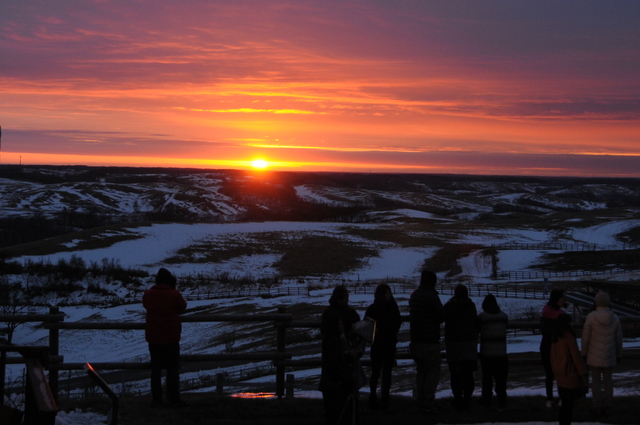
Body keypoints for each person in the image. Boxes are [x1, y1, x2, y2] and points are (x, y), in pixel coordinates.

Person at [142, 267, 188, 406]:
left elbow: (145, 305)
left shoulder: (148, 295)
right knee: (172, 369)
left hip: (154, 337)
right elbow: (182, 307)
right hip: (171, 337)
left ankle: (157, 399)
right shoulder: (174, 295)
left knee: (155, 370)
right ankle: (173, 398)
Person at [319, 285, 361, 425]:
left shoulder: (329, 313)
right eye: (345, 297)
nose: (348, 300)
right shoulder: (339, 316)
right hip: (341, 359)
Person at [580, 291, 623, 417]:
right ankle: (609, 405)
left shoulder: (591, 316)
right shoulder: (614, 317)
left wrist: (584, 353)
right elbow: (618, 339)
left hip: (594, 354)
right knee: (608, 381)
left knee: (596, 382)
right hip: (610, 354)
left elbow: (586, 337)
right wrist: (618, 354)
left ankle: (597, 405)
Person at [409, 270, 445, 414]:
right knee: (432, 372)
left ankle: (420, 400)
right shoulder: (432, 296)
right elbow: (441, 316)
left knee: (421, 372)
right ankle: (428, 402)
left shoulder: (415, 295)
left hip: (416, 339)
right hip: (430, 340)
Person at [364, 283, 402, 411]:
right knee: (380, 372)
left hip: (383, 344)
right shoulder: (390, 307)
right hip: (384, 344)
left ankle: (381, 398)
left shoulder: (376, 308)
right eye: (387, 293)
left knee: (382, 372)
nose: (389, 295)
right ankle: (377, 398)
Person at [444, 283, 478, 411]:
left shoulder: (450, 306)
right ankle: (467, 400)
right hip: (469, 344)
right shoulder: (471, 306)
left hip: (454, 345)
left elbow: (443, 314)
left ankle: (458, 400)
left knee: (455, 375)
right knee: (468, 375)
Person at [550, 313, 588, 425]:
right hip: (570, 375)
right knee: (568, 407)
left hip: (560, 376)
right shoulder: (568, 337)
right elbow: (576, 357)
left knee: (564, 406)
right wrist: (583, 374)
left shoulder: (555, 338)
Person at [477, 294, 508, 410]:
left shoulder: (482, 317)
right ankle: (501, 400)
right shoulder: (503, 316)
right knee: (501, 379)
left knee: (487, 378)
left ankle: (486, 399)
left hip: (487, 353)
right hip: (501, 353)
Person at [539, 288, 567, 408]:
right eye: (562, 297)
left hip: (546, 345)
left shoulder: (545, 313)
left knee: (549, 374)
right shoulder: (561, 316)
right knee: (560, 373)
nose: (563, 299)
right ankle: (561, 397)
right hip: (557, 345)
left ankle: (549, 399)